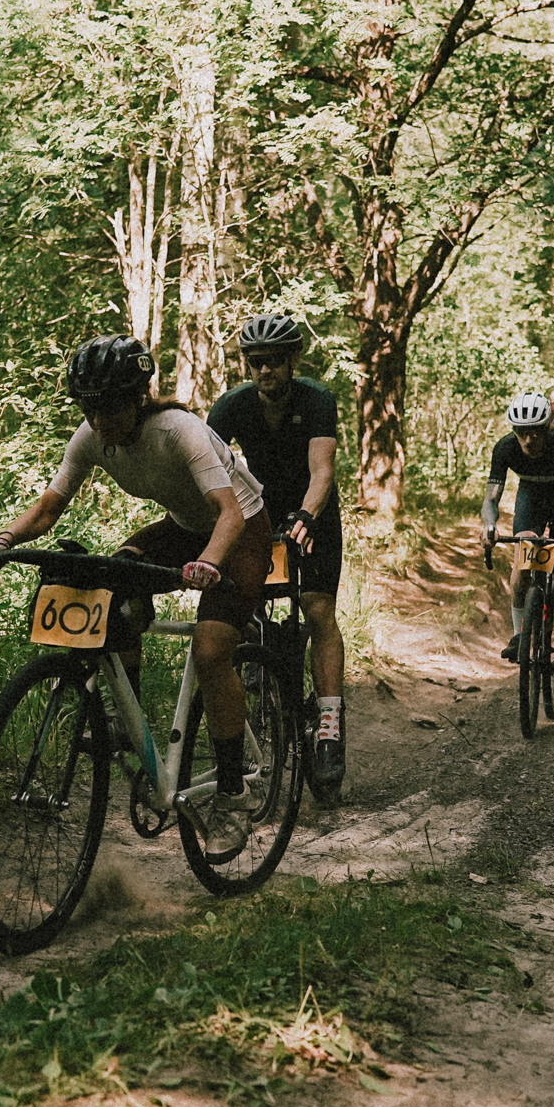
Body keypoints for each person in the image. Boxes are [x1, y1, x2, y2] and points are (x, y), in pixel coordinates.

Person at [0, 335, 272, 843]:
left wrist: (207, 563)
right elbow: (49, 507)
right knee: (114, 584)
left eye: (109, 408)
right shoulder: (90, 437)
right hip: (183, 526)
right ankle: (125, 727)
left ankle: (233, 794)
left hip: (241, 530)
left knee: (211, 648)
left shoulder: (179, 431)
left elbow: (228, 511)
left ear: (138, 398)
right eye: (89, 410)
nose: (99, 421)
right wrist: (4, 539)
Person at [208, 312, 349, 805]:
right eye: (255, 362)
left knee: (317, 611)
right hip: (259, 517)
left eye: (274, 362)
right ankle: (256, 689)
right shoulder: (231, 407)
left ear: (293, 361)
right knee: (240, 611)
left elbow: (322, 472)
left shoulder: (316, 399)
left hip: (313, 514)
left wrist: (307, 516)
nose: (265, 371)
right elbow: (209, 473)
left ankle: (329, 722)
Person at [480, 393, 554, 677]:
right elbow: (491, 499)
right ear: (513, 431)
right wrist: (488, 525)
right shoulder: (505, 449)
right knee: (522, 566)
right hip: (531, 498)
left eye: (535, 432)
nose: (528, 439)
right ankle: (520, 634)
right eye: (521, 432)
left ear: (546, 429)